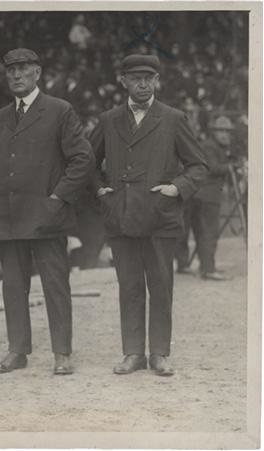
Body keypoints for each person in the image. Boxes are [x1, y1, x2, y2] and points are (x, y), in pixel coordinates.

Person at [0, 48, 94, 376]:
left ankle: (62, 353)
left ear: (37, 73)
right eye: (10, 69)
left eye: (23, 68)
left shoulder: (59, 110)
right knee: (13, 286)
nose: (16, 75)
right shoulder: (0, 118)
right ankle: (18, 350)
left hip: (46, 217)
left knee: (55, 285)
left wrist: (57, 199)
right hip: (8, 217)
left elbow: (82, 160)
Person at [90, 54, 208, 376]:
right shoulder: (108, 119)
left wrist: (176, 188)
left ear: (157, 81)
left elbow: (198, 166)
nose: (143, 84)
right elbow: (86, 163)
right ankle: (132, 353)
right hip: (122, 216)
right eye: (136, 77)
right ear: (123, 81)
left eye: (149, 78)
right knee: (128, 287)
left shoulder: (173, 118)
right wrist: (101, 191)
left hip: (160, 217)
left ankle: (159, 353)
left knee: (160, 286)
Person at [176, 116, 233, 281]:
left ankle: (191, 265)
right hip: (206, 196)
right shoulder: (209, 146)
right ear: (213, 132)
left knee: (199, 232)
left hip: (199, 195)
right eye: (221, 131)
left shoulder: (216, 147)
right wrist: (230, 167)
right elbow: (212, 168)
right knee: (208, 232)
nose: (225, 135)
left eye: (227, 132)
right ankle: (207, 269)